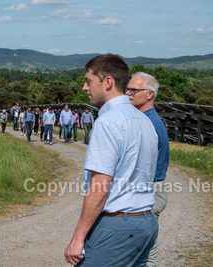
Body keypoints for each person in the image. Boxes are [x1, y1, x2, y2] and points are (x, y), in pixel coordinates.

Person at [64, 54, 158, 266]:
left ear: (108, 82)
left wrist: (78, 238)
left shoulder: (107, 122)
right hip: (145, 221)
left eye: (88, 81)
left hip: (117, 226)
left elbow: (100, 187)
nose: (84, 88)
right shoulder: (144, 121)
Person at [128, 72, 170, 267]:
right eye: (128, 89)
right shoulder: (146, 119)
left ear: (149, 94)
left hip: (148, 191)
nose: (128, 93)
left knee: (144, 253)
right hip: (148, 190)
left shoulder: (148, 123)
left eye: (134, 90)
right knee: (141, 251)